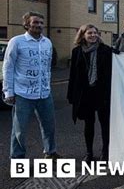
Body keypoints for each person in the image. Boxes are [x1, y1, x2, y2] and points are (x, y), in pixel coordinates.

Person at [3, 11, 60, 159]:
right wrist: (8, 92)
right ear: (27, 24)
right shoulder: (16, 41)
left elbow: (47, 67)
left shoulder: (47, 42)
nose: (39, 25)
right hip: (23, 94)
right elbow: (8, 67)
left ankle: (50, 151)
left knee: (49, 126)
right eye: (35, 22)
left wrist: (48, 84)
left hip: (44, 93)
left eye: (41, 22)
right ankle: (17, 157)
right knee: (19, 129)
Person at [67, 24, 112, 162]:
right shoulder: (77, 52)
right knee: (89, 124)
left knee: (105, 124)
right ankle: (89, 152)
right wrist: (71, 95)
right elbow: (73, 75)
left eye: (95, 33)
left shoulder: (106, 50)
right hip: (85, 94)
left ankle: (105, 151)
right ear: (83, 35)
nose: (93, 35)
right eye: (89, 33)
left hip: (102, 93)